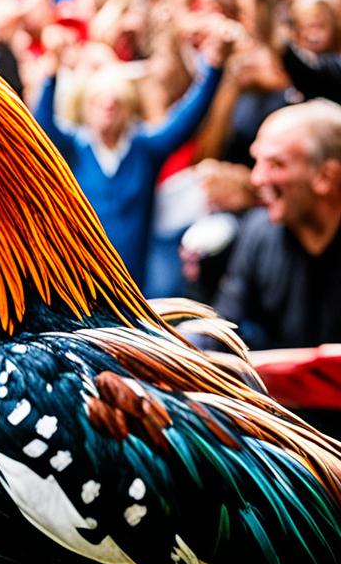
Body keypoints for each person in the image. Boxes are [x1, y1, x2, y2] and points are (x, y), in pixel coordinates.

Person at [33, 25, 225, 289]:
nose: (107, 109)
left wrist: (213, 69)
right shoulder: (75, 149)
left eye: (116, 103)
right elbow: (42, 125)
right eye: (98, 102)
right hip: (82, 282)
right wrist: (51, 70)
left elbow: (186, 119)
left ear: (128, 108)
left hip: (134, 282)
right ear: (85, 107)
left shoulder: (143, 149)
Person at [215, 100, 341, 348]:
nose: (257, 178)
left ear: (325, 176)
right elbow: (222, 329)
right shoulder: (258, 234)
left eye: (275, 164)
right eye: (257, 162)